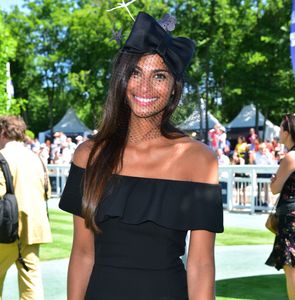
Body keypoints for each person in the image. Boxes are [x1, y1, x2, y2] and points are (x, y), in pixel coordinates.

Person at [59, 12, 223, 300]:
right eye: (135, 73)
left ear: (174, 88)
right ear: (122, 81)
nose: (145, 87)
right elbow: (83, 254)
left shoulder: (199, 160)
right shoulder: (88, 155)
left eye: (159, 76)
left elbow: (200, 264)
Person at [0, 116, 52, 299]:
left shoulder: (2, 157)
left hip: (5, 230)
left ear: (3, 132)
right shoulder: (36, 158)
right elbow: (47, 192)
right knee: (31, 286)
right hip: (32, 229)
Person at [265, 114, 295, 300]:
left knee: (294, 279)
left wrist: (274, 181)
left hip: (293, 220)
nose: (278, 132)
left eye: (280, 129)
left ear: (288, 132)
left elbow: (274, 189)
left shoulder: (292, 156)